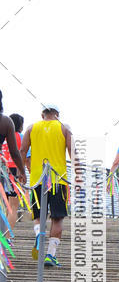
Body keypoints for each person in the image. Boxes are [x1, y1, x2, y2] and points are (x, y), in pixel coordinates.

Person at [20, 105, 71, 267]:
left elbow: (22, 151)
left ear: (43, 114)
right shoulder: (64, 127)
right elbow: (73, 152)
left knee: (37, 215)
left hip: (37, 179)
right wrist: (79, 177)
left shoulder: (31, 128)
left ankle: (39, 235)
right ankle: (50, 254)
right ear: (57, 115)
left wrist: (22, 172)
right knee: (57, 218)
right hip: (58, 180)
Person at [1, 111, 25, 229]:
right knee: (13, 206)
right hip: (15, 171)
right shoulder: (21, 137)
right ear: (20, 125)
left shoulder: (4, 137)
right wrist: (24, 171)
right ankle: (7, 237)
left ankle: (3, 233)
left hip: (3, 170)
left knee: (5, 206)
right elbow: (21, 154)